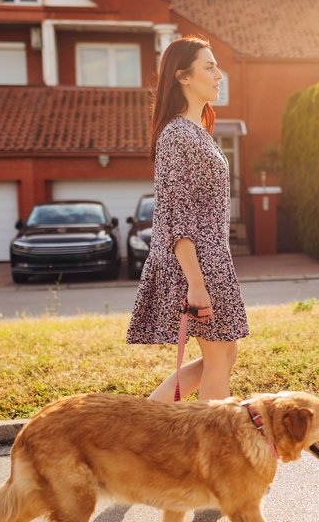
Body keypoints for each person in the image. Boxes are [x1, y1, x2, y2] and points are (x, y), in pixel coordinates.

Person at [126, 36, 249, 402]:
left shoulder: (197, 133)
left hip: (210, 261)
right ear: (182, 76)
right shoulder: (177, 135)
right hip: (196, 265)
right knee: (218, 359)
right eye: (209, 67)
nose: (219, 75)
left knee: (223, 357)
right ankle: (210, 449)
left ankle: (143, 423)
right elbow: (177, 216)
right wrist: (195, 284)